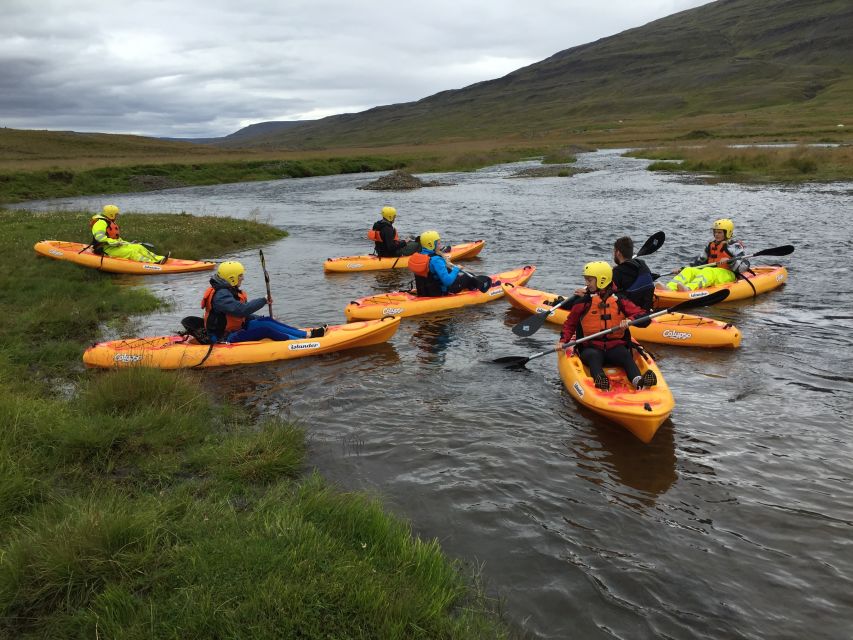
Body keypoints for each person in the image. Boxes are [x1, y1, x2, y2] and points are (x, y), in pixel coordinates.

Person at [559, 261, 656, 391]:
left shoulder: (620, 300)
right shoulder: (583, 302)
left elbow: (644, 318)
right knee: (594, 357)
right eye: (586, 280)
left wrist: (630, 320)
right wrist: (563, 341)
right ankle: (601, 380)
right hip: (591, 347)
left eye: (589, 280)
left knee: (626, 356)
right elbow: (570, 324)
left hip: (615, 347)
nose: (586, 283)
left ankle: (639, 381)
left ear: (602, 280)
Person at [202, 261, 326, 343]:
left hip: (237, 328)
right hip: (223, 337)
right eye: (240, 275)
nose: (243, 278)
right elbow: (241, 310)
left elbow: (241, 316)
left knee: (267, 320)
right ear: (231, 278)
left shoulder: (227, 289)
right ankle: (300, 343)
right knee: (265, 330)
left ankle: (307, 335)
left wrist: (260, 318)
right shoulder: (220, 295)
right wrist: (264, 300)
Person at [657, 218, 749, 291]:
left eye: (719, 232)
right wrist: (682, 269)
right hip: (712, 273)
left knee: (708, 271)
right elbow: (698, 263)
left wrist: (730, 262)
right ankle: (669, 288)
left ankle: (689, 289)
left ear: (728, 232)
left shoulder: (734, 245)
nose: (716, 235)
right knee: (689, 270)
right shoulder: (710, 245)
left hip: (728, 275)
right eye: (715, 232)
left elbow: (745, 265)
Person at [408, 230, 492, 296]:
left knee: (455, 274)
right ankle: (474, 290)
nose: (440, 245)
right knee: (467, 276)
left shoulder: (417, 256)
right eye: (438, 243)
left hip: (424, 292)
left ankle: (470, 286)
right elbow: (447, 282)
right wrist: (456, 269)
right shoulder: (436, 260)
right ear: (430, 244)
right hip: (439, 292)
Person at [90, 204, 168, 263]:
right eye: (116, 214)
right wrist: (116, 243)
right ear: (111, 214)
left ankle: (159, 258)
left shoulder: (108, 222)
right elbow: (100, 238)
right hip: (104, 249)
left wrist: (126, 243)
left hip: (113, 246)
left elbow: (115, 238)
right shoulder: (100, 223)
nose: (117, 216)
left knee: (138, 247)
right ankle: (152, 263)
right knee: (131, 252)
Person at [612, 236, 655, 311]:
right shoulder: (642, 264)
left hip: (630, 313)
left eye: (614, 251)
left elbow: (608, 293)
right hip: (646, 310)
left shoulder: (617, 272)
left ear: (618, 253)